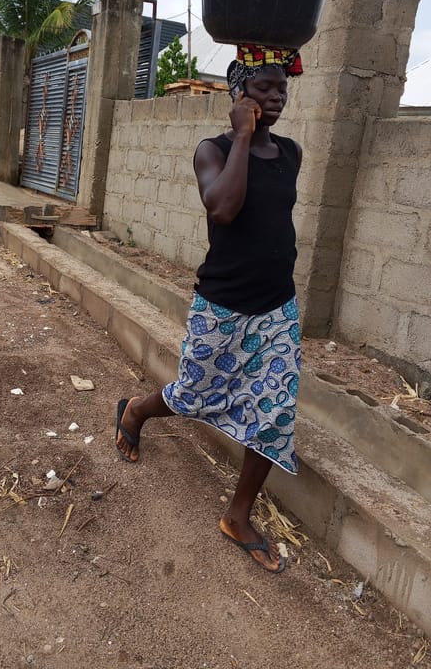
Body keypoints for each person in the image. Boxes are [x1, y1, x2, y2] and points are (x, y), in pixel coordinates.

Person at [115, 43, 303, 574]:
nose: (276, 96)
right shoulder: (212, 149)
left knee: (275, 414)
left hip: (277, 308)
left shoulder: (291, 153)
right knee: (195, 394)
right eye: (264, 87)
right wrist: (243, 134)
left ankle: (237, 516)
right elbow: (222, 209)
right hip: (221, 304)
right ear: (237, 92)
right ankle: (135, 410)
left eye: (281, 87)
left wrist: (257, 136)